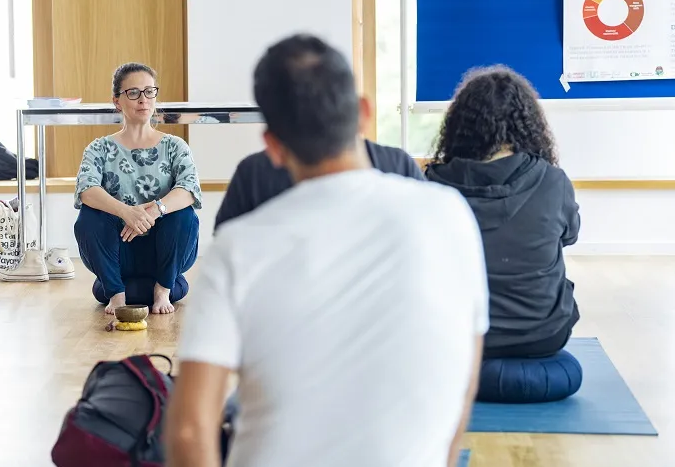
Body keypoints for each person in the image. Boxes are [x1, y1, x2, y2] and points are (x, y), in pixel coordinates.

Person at [166, 34, 488, 467]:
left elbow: (189, 430)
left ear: (272, 146)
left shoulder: (237, 248)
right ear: (364, 114)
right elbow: (463, 381)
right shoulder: (450, 214)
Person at [424, 65, 580, 359]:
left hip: (458, 336)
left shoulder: (433, 185)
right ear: (529, 125)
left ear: (460, 127)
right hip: (543, 335)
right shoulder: (553, 181)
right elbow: (569, 236)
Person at [73, 63, 202, 315]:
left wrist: (153, 211)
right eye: (133, 93)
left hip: (163, 257)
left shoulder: (175, 146)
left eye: (149, 91)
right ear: (117, 101)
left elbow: (188, 189)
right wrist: (126, 212)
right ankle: (116, 293)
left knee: (184, 215)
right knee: (88, 216)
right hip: (118, 255)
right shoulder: (98, 148)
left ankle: (163, 290)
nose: (143, 99)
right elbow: (87, 189)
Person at [215, 135, 423, 231]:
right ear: (364, 112)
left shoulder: (254, 172)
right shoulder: (398, 164)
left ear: (272, 142)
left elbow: (224, 249)